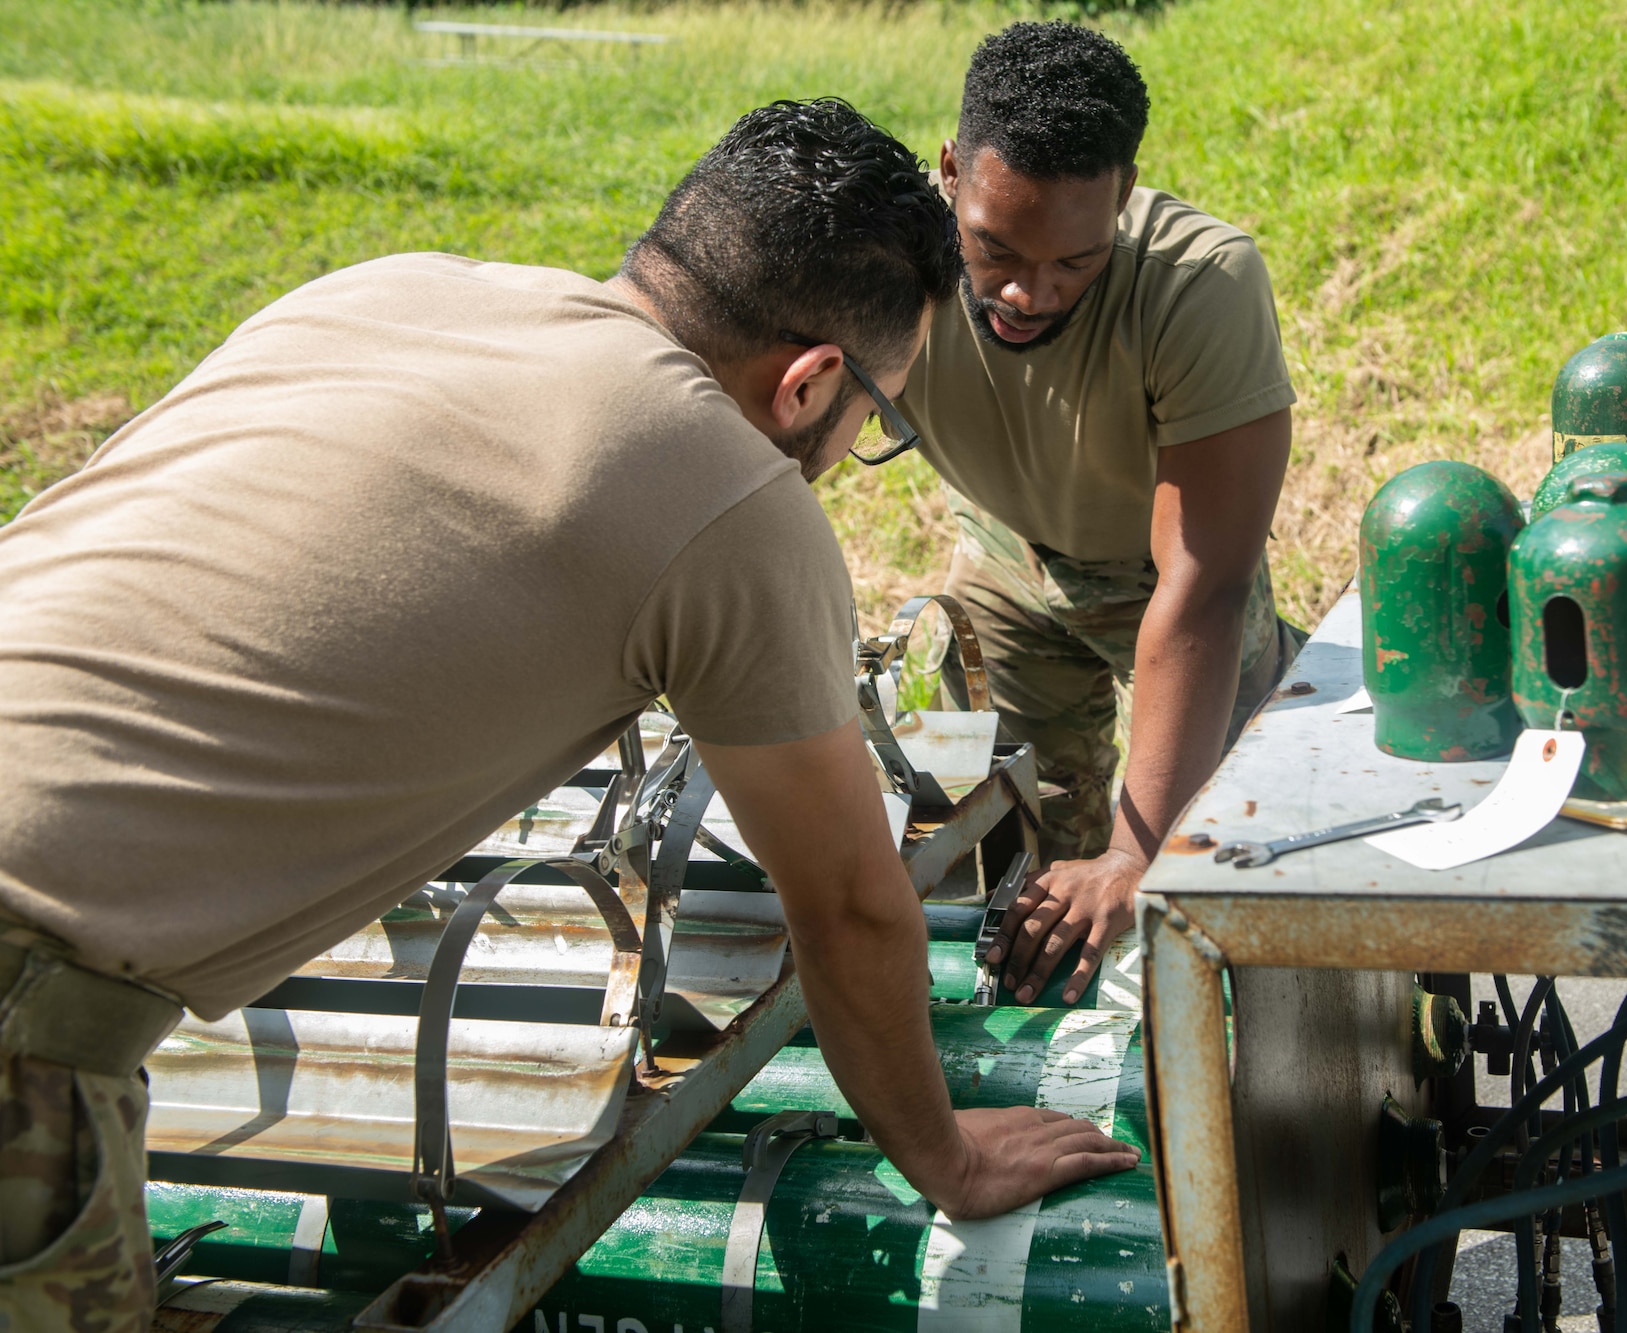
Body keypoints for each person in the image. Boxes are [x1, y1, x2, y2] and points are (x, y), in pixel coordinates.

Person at [0, 99, 1135, 1332]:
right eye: (876, 418)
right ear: (810, 383)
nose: (856, 443)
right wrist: (950, 1160)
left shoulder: (393, 286)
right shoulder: (729, 495)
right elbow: (853, 905)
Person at [896, 23, 1301, 1006]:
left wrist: (1139, 851)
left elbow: (1200, 586)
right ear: (950, 172)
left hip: (1163, 584)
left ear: (1122, 197)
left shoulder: (1198, 286)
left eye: (1074, 262)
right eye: (994, 248)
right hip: (1004, 561)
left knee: (1238, 853)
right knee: (1021, 871)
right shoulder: (880, 254)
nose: (1027, 293)